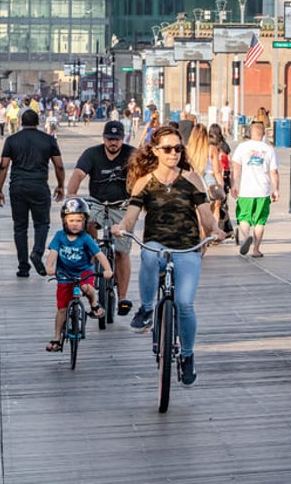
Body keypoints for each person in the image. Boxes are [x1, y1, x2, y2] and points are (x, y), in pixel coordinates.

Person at [114, 126, 226, 387]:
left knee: (185, 304)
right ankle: (147, 308)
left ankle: (187, 355)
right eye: (167, 149)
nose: (173, 153)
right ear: (156, 151)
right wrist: (121, 228)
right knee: (150, 257)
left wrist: (216, 230)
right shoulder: (145, 182)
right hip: (157, 243)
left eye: (178, 148)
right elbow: (131, 217)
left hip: (187, 246)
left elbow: (206, 216)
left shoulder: (192, 179)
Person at [66, 120, 135, 315]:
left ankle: (122, 297)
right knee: (86, 222)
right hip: (96, 201)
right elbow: (78, 174)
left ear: (123, 139)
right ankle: (95, 252)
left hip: (122, 204)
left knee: (122, 251)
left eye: (117, 139)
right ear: (103, 138)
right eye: (110, 139)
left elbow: (143, 176)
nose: (113, 143)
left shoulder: (131, 154)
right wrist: (72, 194)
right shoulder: (92, 153)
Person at [0, 109, 65, 278]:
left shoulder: (12, 140)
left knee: (20, 226)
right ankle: (37, 251)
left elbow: (3, 166)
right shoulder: (48, 140)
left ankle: (23, 267)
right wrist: (60, 185)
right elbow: (59, 165)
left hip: (18, 186)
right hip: (39, 186)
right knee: (42, 223)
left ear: (20, 121)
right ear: (38, 122)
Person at [44, 197, 113, 352]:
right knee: (62, 309)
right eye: (71, 220)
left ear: (84, 222)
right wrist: (49, 266)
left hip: (84, 271)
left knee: (87, 287)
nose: (75, 224)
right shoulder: (59, 236)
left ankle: (94, 304)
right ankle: (56, 339)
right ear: (64, 221)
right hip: (64, 273)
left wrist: (107, 269)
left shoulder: (86, 238)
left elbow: (99, 255)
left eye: (79, 220)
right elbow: (53, 252)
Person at [230, 120, 279, 258]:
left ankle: (246, 238)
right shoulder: (269, 149)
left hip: (246, 190)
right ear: (263, 134)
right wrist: (276, 189)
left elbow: (236, 168)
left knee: (244, 218)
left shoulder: (242, 147)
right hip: (262, 191)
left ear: (250, 133)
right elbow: (273, 172)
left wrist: (234, 185)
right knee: (260, 221)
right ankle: (256, 249)